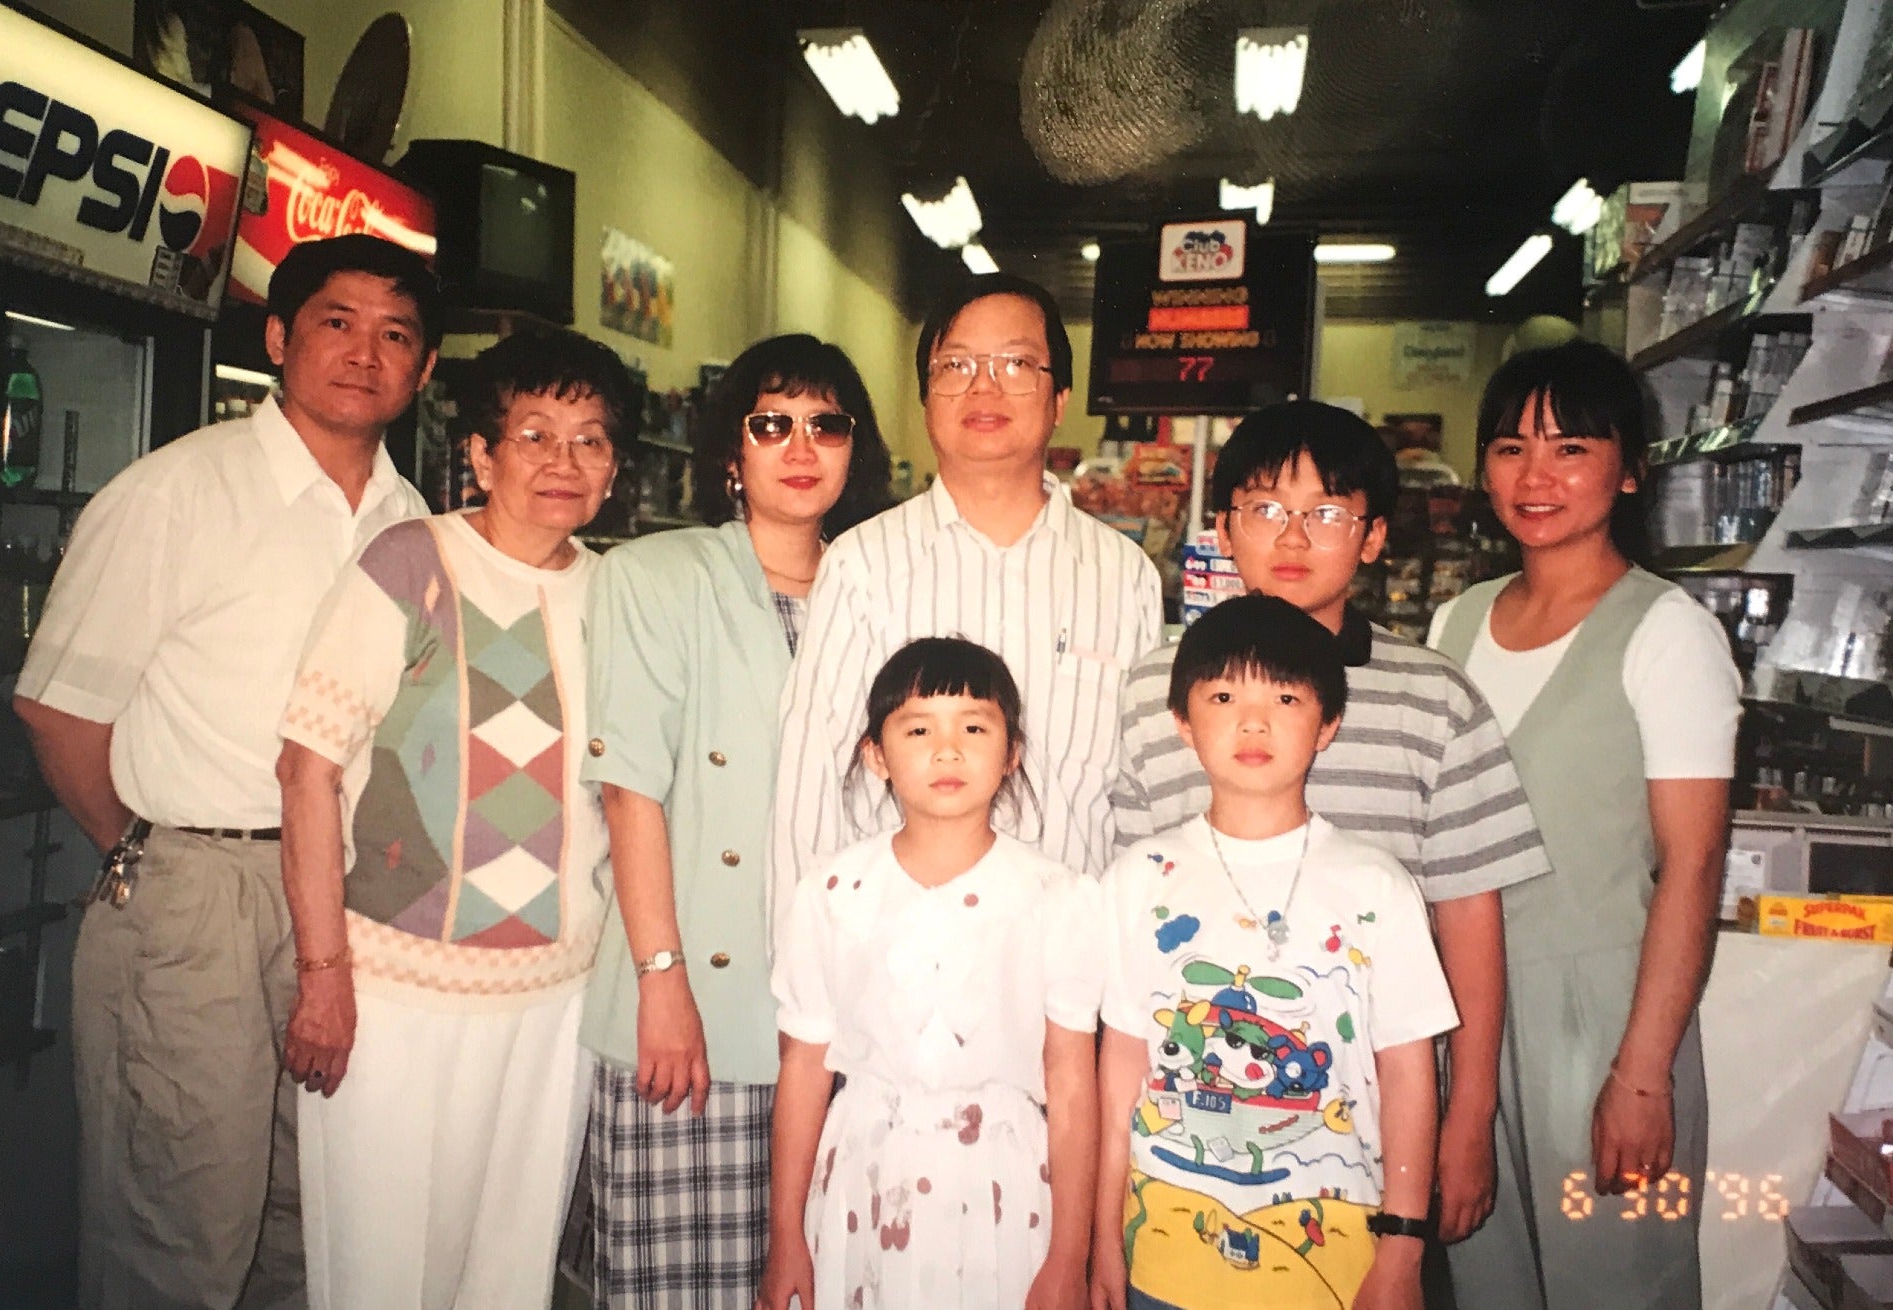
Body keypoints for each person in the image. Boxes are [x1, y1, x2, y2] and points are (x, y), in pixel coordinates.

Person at [12, 233, 440, 1309]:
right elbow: (57, 709)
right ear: (278, 338)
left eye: (396, 335)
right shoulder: (177, 492)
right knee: (177, 1229)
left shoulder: (416, 525)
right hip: (196, 892)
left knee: (308, 1227)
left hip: (348, 899)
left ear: (425, 368)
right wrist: (144, 850)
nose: (365, 353)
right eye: (337, 322)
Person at [1111, 401, 1550, 1258]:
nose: (1293, 537)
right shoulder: (1156, 694)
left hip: (1379, 1129)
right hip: (1184, 1132)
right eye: (1265, 508)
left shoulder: (1434, 697)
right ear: (1223, 528)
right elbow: (1129, 934)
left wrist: (1470, 1118)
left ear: (1374, 536)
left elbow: (1469, 914)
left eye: (1327, 513)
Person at [274, 327, 640, 1307]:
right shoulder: (410, 560)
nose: (564, 461)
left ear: (614, 468)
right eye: (535, 434)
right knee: (379, 1268)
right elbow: (306, 772)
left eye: (591, 440)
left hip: (555, 1000)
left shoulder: (617, 595)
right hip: (396, 992)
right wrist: (322, 974)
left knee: (509, 1273)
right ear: (480, 454)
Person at [573, 334, 893, 1308]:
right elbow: (631, 790)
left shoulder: (881, 590)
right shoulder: (657, 576)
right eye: (771, 423)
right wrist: (663, 984)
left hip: (843, 1015)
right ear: (731, 451)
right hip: (694, 1005)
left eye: (826, 424)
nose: (799, 446)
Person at [1427, 339, 1739, 1310]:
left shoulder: (1667, 631)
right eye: (1511, 448)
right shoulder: (1455, 624)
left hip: (1601, 1017)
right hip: (1466, 1014)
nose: (1536, 476)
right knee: (1487, 1281)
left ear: (1630, 469)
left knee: (1615, 1279)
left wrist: (1643, 1072)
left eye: (1570, 448)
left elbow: (1693, 862)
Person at [1093, 594, 1460, 1310]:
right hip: (1161, 1263)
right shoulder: (1138, 877)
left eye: (1285, 698)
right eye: (1223, 696)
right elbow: (1120, 1076)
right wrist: (1104, 1237)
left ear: (1328, 725)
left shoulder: (1377, 885)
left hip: (1339, 1268)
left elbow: (1410, 1076)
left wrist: (1404, 1244)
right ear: (1182, 721)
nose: (1253, 721)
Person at [770, 273, 1162, 920]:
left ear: (1060, 399)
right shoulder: (862, 564)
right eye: (956, 366)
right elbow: (811, 784)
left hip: (1069, 950)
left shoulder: (1123, 577)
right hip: (896, 950)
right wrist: (803, 961)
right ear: (926, 397)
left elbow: (1139, 795)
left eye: (1015, 364)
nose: (983, 387)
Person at [757, 637, 1102, 1310]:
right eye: (919, 730)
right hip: (862, 1184)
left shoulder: (1057, 898)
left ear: (1012, 754)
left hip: (1007, 1192)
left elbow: (1071, 1087)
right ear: (876, 756)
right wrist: (785, 1235)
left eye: (974, 727)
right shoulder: (832, 892)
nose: (948, 750)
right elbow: (803, 1070)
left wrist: (1070, 1254)